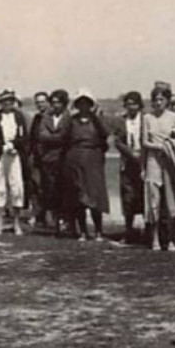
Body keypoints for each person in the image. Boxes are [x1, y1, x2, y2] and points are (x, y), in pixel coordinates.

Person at [142, 82, 175, 251]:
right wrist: (159, 148)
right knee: (153, 200)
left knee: (170, 200)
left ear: (167, 101)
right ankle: (155, 238)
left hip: (171, 162)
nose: (158, 103)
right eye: (155, 100)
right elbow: (144, 142)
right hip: (153, 162)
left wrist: (170, 147)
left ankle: (171, 239)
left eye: (161, 99)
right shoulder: (147, 118)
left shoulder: (174, 117)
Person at [0, 89, 30, 236]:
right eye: (5, 101)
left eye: (10, 100)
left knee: (16, 187)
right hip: (0, 156)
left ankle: (16, 223)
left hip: (15, 155)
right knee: (1, 188)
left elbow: (23, 136)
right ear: (1, 103)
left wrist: (14, 146)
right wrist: (2, 146)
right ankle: (0, 224)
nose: (8, 103)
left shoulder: (18, 116)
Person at [66, 89, 111, 241]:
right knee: (79, 196)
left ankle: (98, 231)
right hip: (76, 159)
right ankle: (83, 231)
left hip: (93, 160)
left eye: (87, 103)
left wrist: (97, 117)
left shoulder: (96, 120)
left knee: (95, 196)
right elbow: (65, 140)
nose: (84, 106)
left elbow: (105, 136)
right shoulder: (72, 121)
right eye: (81, 103)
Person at [33, 88, 74, 236]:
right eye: (53, 102)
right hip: (49, 160)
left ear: (64, 103)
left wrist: (54, 138)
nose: (55, 105)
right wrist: (58, 138)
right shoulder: (46, 117)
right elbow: (42, 135)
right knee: (51, 190)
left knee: (67, 191)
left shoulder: (70, 118)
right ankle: (57, 222)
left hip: (65, 159)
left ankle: (68, 223)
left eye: (58, 102)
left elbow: (68, 136)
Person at [112, 91, 148, 245]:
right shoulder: (121, 121)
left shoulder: (146, 120)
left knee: (145, 196)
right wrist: (130, 152)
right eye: (128, 104)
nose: (131, 107)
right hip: (127, 163)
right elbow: (117, 141)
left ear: (139, 105)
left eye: (134, 104)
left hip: (145, 162)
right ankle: (129, 230)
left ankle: (148, 230)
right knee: (128, 196)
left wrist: (142, 155)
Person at [28, 91, 51, 226]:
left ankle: (53, 216)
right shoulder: (37, 118)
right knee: (35, 186)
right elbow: (32, 138)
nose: (40, 105)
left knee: (50, 187)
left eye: (42, 102)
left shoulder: (52, 117)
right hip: (37, 157)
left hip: (50, 157)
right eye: (38, 103)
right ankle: (38, 216)